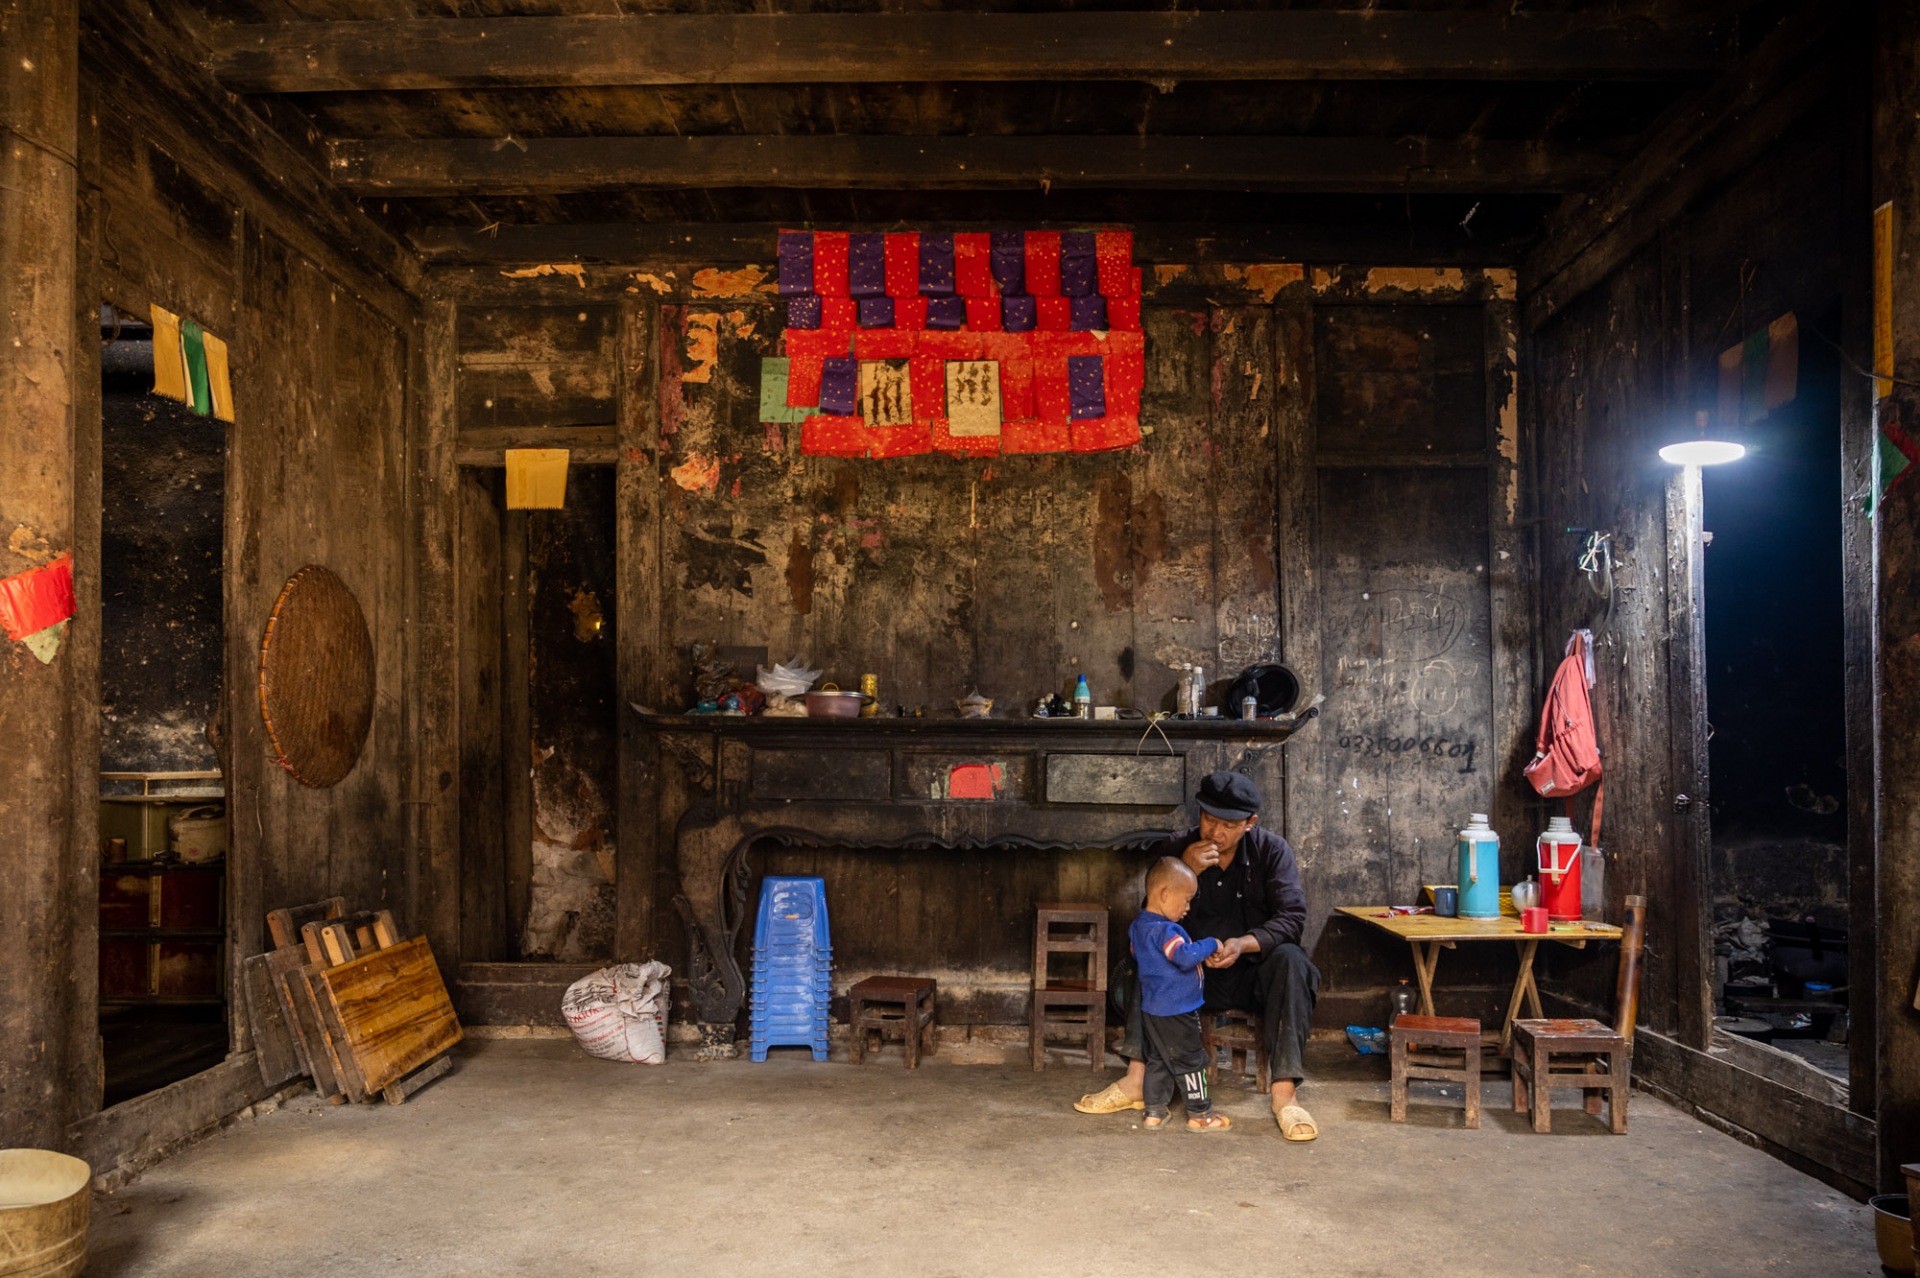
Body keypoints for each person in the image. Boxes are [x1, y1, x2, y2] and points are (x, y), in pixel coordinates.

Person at [1074, 770, 1321, 1140]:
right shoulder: (1178, 847)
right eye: (1208, 820)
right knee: (1148, 957)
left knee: (1294, 961)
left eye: (1228, 825)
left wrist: (1243, 943)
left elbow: (1292, 919)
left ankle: (1285, 1094)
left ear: (1250, 823)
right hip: (1186, 975)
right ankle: (1136, 1082)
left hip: (1251, 973)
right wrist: (1185, 867)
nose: (1214, 833)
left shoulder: (1272, 851)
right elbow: (1150, 922)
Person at [1129, 857, 1231, 1131]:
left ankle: (1154, 1112)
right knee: (1192, 1060)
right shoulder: (1166, 930)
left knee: (1159, 1057)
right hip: (1177, 1009)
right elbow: (1183, 957)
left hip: (1153, 1008)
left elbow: (1137, 955)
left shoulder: (1139, 926)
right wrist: (1211, 943)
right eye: (1185, 900)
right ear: (1164, 894)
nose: (1188, 908)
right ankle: (1201, 1114)